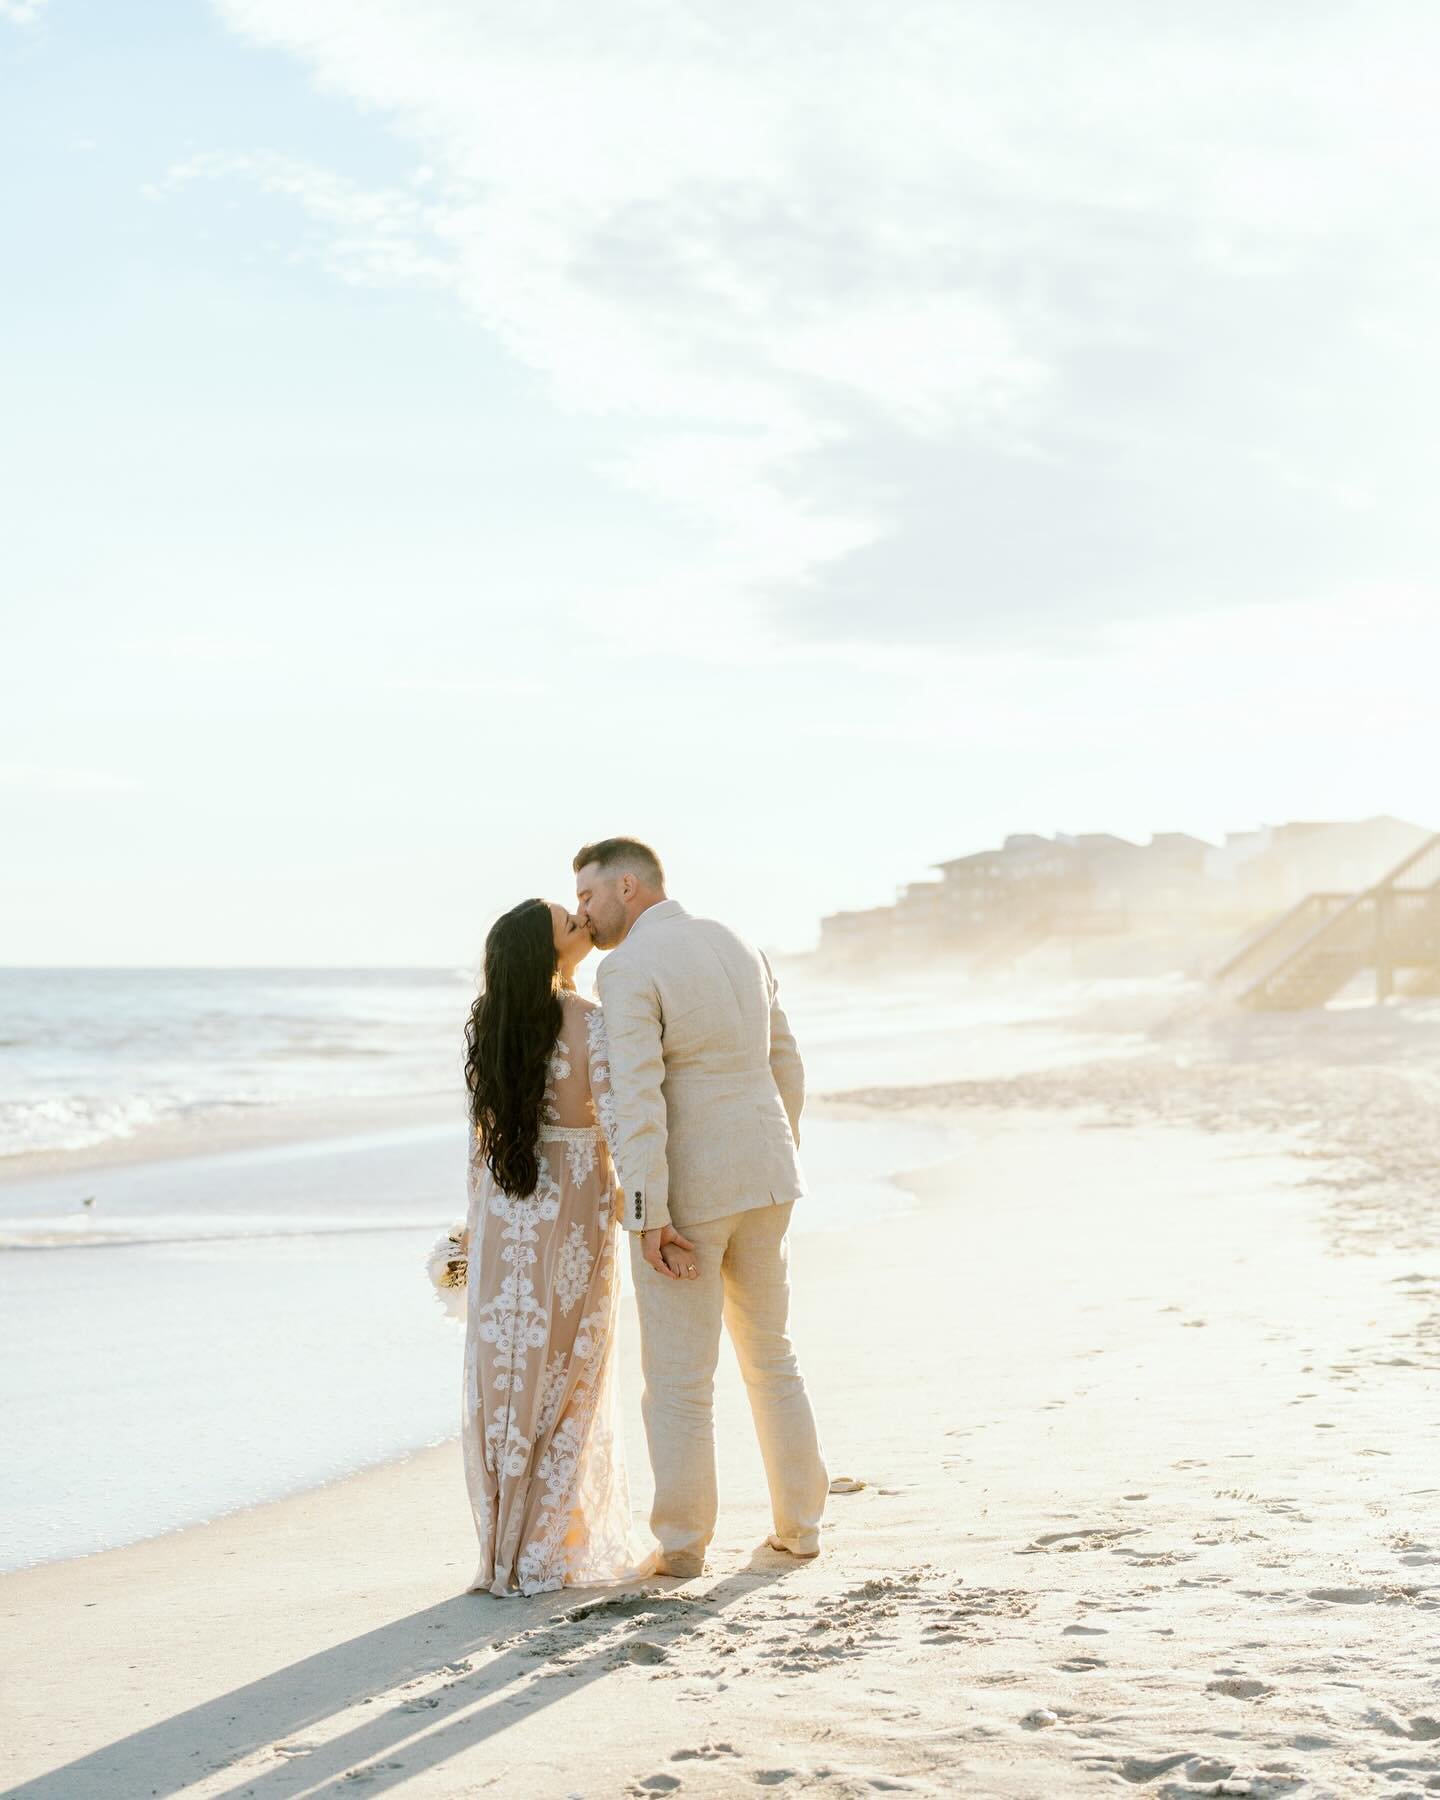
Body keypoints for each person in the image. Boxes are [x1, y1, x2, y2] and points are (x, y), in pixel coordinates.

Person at [574, 837, 829, 1579]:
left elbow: (642, 1097)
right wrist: (776, 1152)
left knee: (680, 1378)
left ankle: (684, 1544)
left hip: (688, 1194)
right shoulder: (738, 943)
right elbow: (786, 1062)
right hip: (769, 1174)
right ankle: (801, 1526)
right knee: (772, 1357)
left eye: (587, 897)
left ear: (626, 888)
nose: (584, 916)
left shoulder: (628, 968)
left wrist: (647, 1209)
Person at [459, 898, 659, 1596]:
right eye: (569, 926)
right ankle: (547, 1542)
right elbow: (623, 1119)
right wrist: (651, 1209)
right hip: (573, 1208)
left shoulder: (492, 1024)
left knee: (509, 1374)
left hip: (503, 1208)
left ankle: (501, 1548)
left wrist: (468, 1231)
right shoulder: (590, 1024)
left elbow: (481, 1140)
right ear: (551, 954)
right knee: (568, 1369)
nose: (582, 927)